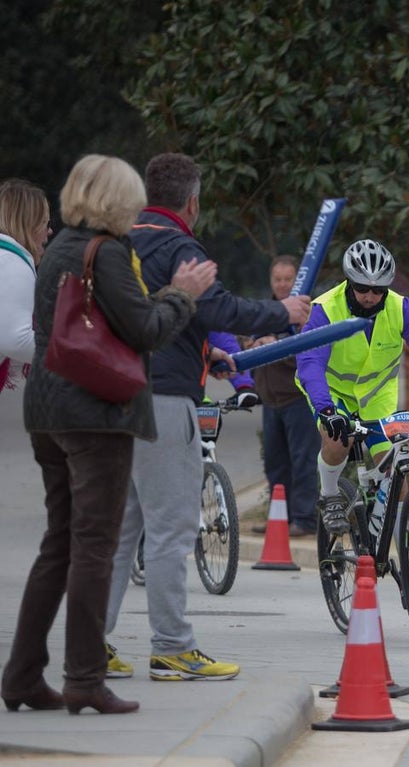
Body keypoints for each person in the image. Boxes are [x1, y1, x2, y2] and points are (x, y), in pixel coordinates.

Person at [2, 154, 216, 715]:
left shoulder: (56, 252)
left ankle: (23, 674)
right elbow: (146, 331)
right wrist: (181, 293)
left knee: (60, 545)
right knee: (96, 547)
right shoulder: (108, 253)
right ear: (117, 202)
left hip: (48, 412)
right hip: (96, 416)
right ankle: (85, 679)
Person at [103, 153, 312, 683]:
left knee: (120, 530)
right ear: (193, 201)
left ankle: (92, 641)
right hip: (165, 402)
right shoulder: (179, 246)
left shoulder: (121, 239)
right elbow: (217, 309)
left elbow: (160, 316)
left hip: (115, 397)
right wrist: (282, 314)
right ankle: (172, 646)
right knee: (173, 529)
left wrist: (203, 354)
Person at [296, 239, 409, 536]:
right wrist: (326, 409)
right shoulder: (325, 309)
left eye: (378, 290)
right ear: (349, 282)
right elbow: (310, 363)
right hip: (332, 393)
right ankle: (329, 496)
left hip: (376, 396)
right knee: (337, 440)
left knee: (398, 484)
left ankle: (407, 564)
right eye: (362, 288)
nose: (370, 296)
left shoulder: (399, 307)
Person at [248, 256, 320, 537]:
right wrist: (252, 343)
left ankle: (304, 519)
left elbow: (310, 351)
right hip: (270, 400)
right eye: (277, 279)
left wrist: (274, 345)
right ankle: (279, 517)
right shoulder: (265, 310)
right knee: (275, 462)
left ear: (297, 281)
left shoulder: (306, 312)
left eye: (287, 279)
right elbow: (248, 342)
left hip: (298, 397)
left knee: (302, 460)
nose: (281, 284)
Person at [0, 179, 51, 392]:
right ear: (29, 225)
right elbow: (15, 340)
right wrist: (69, 351)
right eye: (45, 223)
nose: (49, 231)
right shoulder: (13, 263)